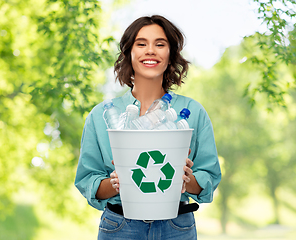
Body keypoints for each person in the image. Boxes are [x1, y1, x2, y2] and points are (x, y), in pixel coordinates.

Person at [74, 15, 221, 240]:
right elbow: (88, 179)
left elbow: (209, 176)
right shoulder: (101, 116)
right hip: (120, 227)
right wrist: (115, 183)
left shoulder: (194, 112)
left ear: (170, 54)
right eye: (141, 44)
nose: (150, 50)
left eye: (160, 44)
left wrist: (186, 180)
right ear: (129, 53)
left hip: (176, 227)